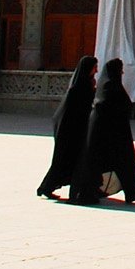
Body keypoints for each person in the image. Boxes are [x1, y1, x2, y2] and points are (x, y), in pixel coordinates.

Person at [72, 58, 135, 205]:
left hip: (112, 134)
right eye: (120, 70)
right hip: (110, 136)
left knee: (122, 163)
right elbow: (109, 109)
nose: (123, 72)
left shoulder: (107, 86)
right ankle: (91, 193)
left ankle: (132, 191)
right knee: (120, 162)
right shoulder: (109, 88)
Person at [37, 56, 97, 200]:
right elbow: (73, 111)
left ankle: (50, 187)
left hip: (77, 129)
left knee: (70, 161)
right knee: (62, 161)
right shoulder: (77, 88)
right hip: (69, 130)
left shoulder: (87, 84)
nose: (97, 69)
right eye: (95, 67)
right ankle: (46, 187)